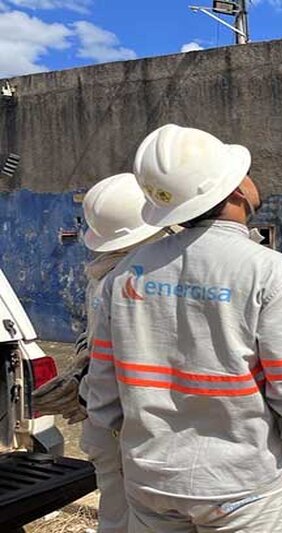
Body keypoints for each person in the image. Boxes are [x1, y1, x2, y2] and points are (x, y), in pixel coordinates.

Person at [84, 124, 282, 532]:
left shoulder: (125, 275)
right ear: (236, 188)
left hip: (150, 482)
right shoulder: (269, 271)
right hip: (240, 489)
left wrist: (117, 453)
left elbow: (103, 385)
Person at [34, 172, 169, 532]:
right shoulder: (149, 278)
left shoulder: (103, 274)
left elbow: (93, 344)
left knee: (117, 513)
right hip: (139, 425)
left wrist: (83, 382)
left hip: (109, 422)